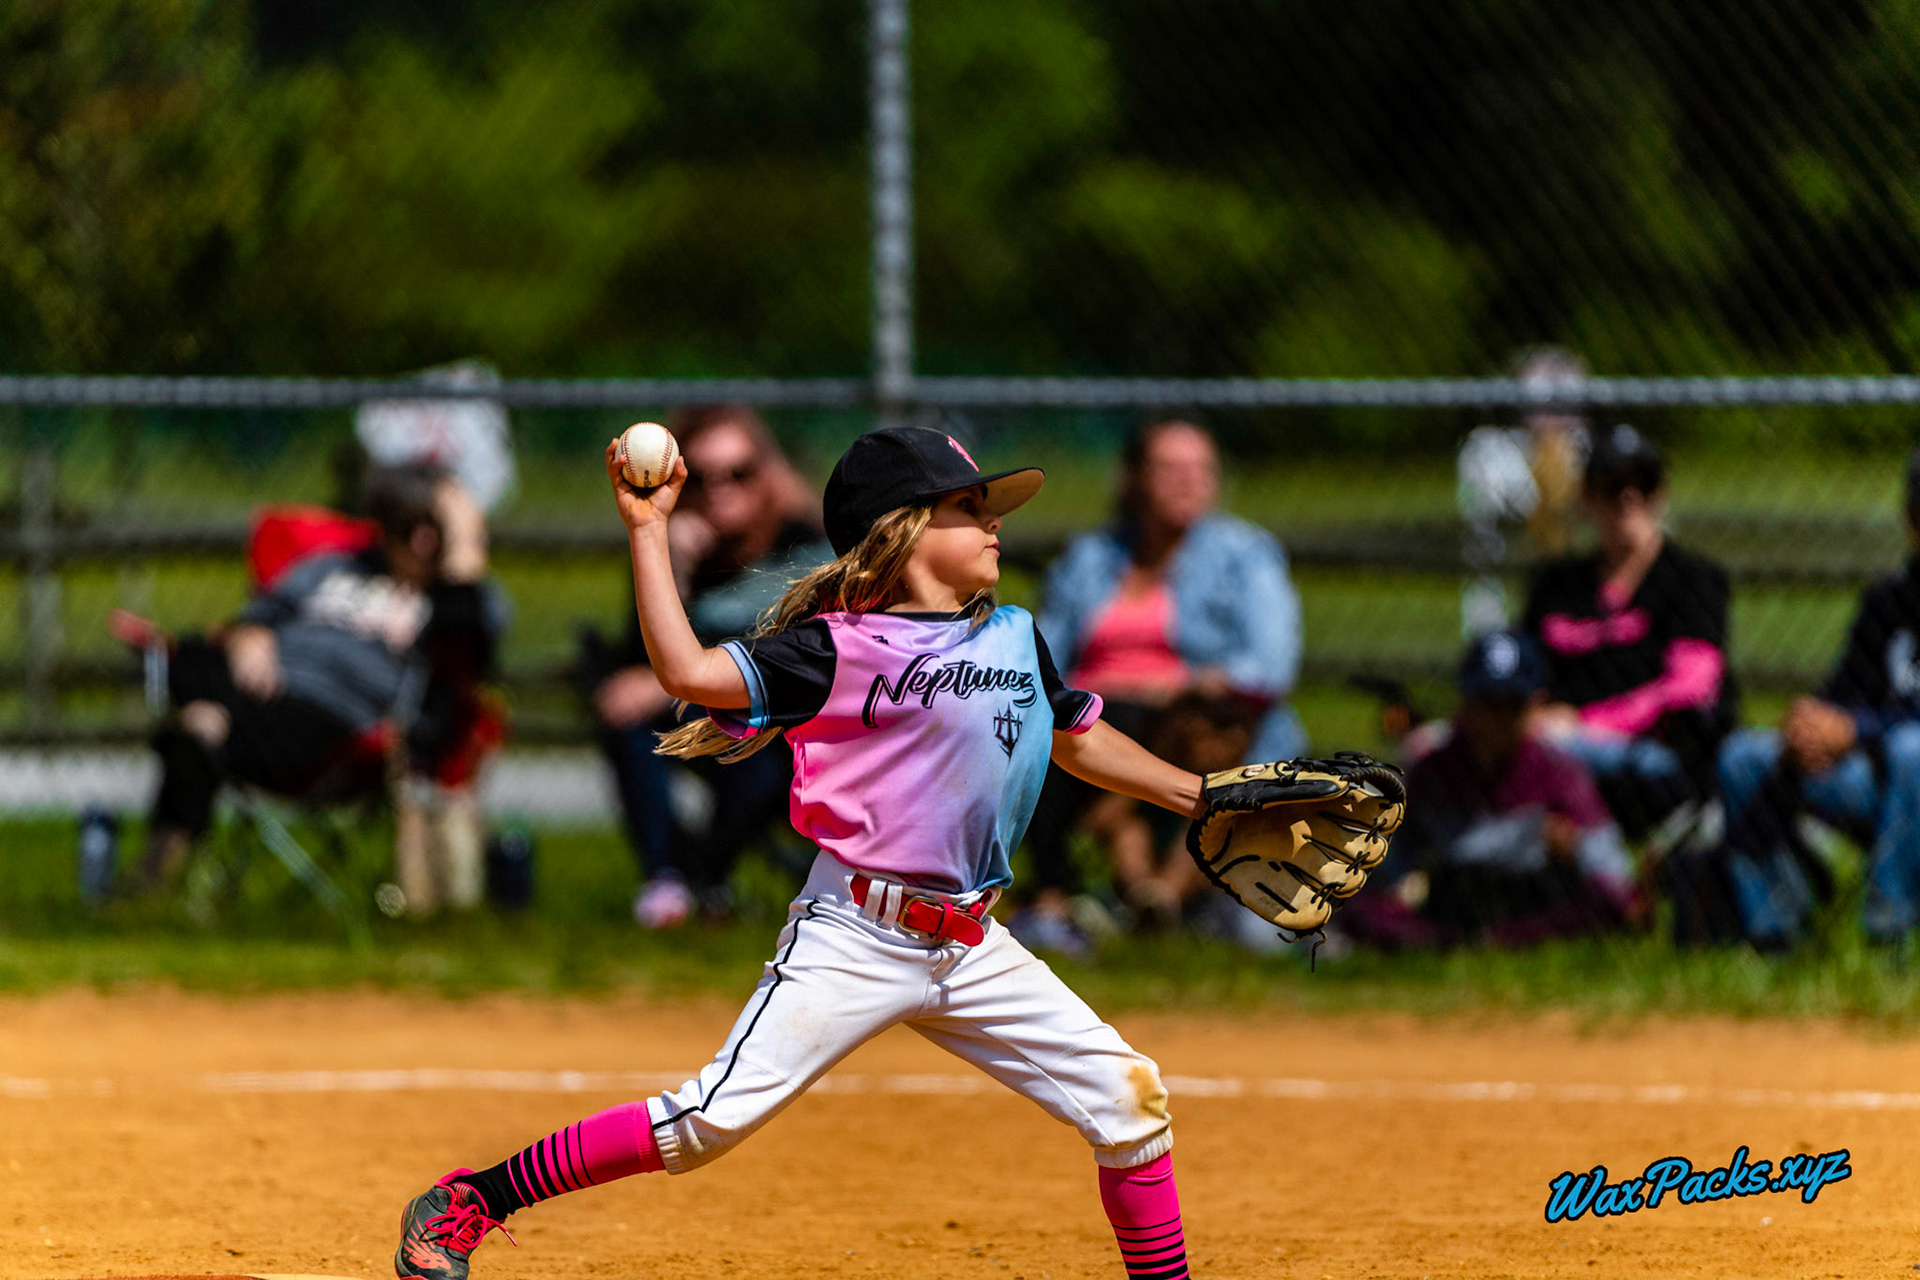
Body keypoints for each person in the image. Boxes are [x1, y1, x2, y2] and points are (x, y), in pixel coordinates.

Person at [393, 426, 1207, 1280]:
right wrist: (648, 530)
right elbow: (685, 672)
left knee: (1131, 1105)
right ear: (903, 528)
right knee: (701, 1124)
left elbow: (1075, 734)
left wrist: (1202, 795)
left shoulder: (1012, 634)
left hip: (971, 944)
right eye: (971, 507)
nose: (996, 523)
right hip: (855, 931)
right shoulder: (833, 647)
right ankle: (470, 1202)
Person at [139, 467, 502, 909]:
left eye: (436, 531)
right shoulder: (335, 567)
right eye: (411, 527)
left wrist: (461, 559)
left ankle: (153, 877)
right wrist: (250, 636)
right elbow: (259, 614)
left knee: (199, 725)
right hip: (261, 686)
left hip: (338, 727)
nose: (423, 541)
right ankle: (199, 738)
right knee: (196, 663)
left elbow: (470, 660)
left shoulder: (457, 604)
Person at [1023, 419, 1303, 946]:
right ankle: (1060, 903)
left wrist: (1184, 685)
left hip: (1201, 720)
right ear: (1135, 478)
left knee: (1193, 740)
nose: (1187, 481)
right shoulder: (1091, 557)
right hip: (1098, 714)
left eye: (1201, 469)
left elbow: (1271, 664)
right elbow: (1043, 660)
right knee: (1041, 725)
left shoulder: (1244, 554)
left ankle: (1154, 899)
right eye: (1170, 468)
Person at [584, 405, 831, 927]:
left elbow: (792, 646)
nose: (722, 488)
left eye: (739, 473)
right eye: (707, 475)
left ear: (766, 474)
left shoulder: (802, 541)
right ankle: (667, 878)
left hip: (783, 719)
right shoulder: (679, 546)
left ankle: (707, 877)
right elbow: (641, 653)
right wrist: (669, 562)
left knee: (759, 753)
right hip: (698, 706)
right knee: (629, 718)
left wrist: (667, 680)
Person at [1716, 447, 1920, 947]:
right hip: (1875, 776)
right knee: (1744, 757)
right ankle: (1776, 934)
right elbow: (1845, 695)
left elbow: (1869, 727)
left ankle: (1889, 935)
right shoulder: (1890, 599)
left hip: (1906, 768)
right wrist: (1808, 725)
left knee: (1914, 751)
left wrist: (1857, 732)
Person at [1350, 631, 1637, 949]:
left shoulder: (1559, 771)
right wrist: (1531, 837)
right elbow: (1386, 865)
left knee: (1603, 908)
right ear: (1465, 703)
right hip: (1448, 904)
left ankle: (1495, 941)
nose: (1497, 720)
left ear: (1535, 705)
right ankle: (1452, 942)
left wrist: (1576, 850)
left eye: (1511, 705)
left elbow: (1613, 878)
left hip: (1531, 906)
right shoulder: (1432, 769)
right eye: (1487, 703)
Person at [1520, 425, 1736, 838]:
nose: (1629, 498)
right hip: (1549, 744)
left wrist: (1585, 725)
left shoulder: (1693, 580)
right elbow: (1522, 673)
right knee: (1434, 753)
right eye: (1613, 485)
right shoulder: (1556, 586)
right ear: (1587, 498)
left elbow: (1689, 690)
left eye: (1645, 484)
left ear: (1662, 494)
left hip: (1654, 756)